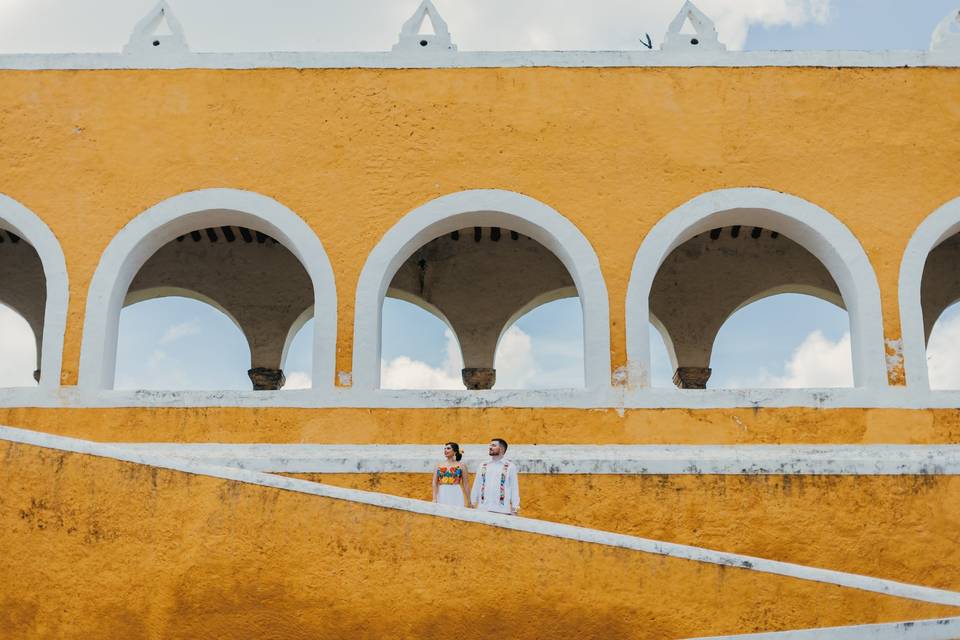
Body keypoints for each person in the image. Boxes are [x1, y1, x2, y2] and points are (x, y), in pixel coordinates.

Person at [470, 438, 520, 515]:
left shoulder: (510, 466)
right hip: (483, 508)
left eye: (493, 445)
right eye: (490, 445)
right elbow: (477, 484)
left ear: (502, 449)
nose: (490, 447)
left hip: (502, 510)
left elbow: (514, 488)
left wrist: (515, 507)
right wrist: (472, 502)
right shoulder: (483, 465)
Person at [432, 442, 470, 507]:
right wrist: (434, 498)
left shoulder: (461, 465)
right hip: (442, 492)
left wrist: (469, 501)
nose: (445, 450)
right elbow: (434, 482)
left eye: (448, 448)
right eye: (445, 449)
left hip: (456, 492)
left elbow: (465, 484)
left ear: (455, 451)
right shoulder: (438, 465)